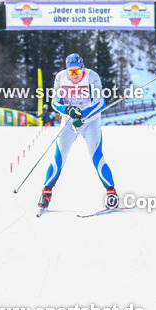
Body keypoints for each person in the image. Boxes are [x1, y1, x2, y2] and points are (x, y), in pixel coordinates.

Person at [39, 53, 117, 211]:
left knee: (96, 156)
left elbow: (100, 102)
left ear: (83, 69)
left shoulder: (92, 76)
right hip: (68, 122)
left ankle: (111, 193)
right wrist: (67, 109)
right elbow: (54, 102)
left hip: (90, 122)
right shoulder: (61, 77)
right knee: (59, 156)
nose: (74, 75)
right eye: (71, 72)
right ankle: (46, 192)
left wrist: (83, 114)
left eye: (77, 72)